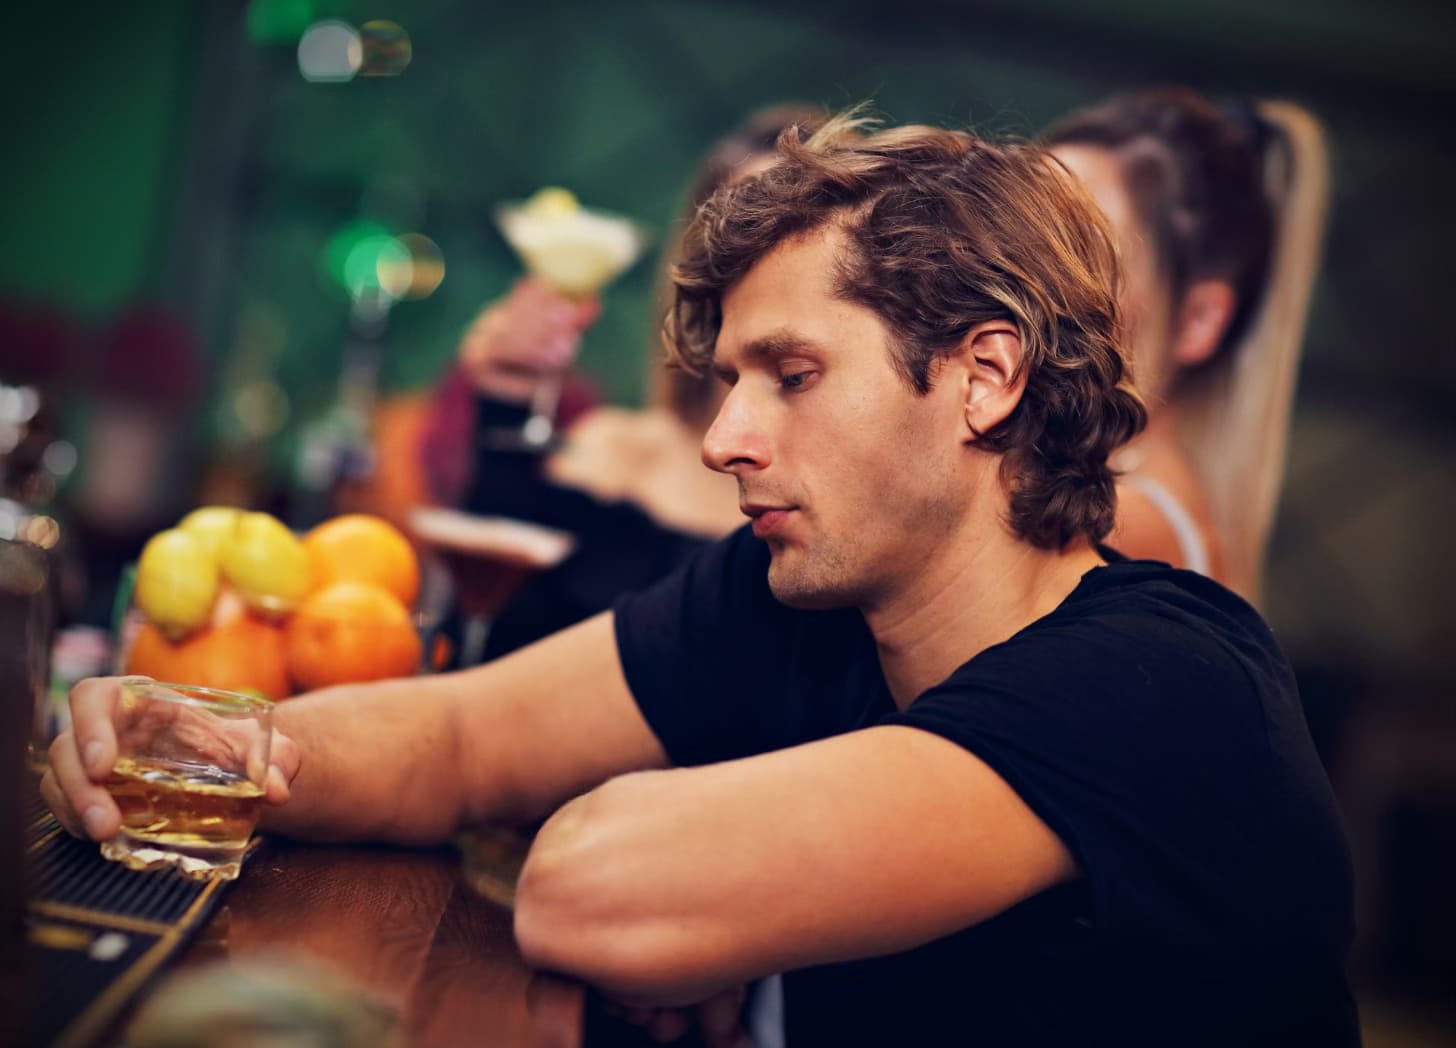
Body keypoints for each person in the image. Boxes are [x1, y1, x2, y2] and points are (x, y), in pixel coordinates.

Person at [43, 110, 1357, 1046]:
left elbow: (593, 889)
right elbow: (460, 734)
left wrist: (712, 919)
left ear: (985, 377)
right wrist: (202, 734)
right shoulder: (796, 596)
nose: (726, 437)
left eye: (790, 376)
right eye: (730, 381)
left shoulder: (1167, 686)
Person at [426, 105, 827, 660]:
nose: (762, 258)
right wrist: (506, 399)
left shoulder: (854, 519)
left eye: (798, 229)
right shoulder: (610, 455)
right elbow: (480, 635)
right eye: (738, 229)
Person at [1045, 88, 1284, 587]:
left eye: (1078, 254)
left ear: (1198, 320)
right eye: (1018, 232)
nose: (1023, 276)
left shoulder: (1119, 523)